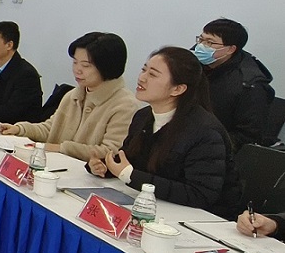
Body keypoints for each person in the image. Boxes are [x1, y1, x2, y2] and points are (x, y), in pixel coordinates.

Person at [88, 47, 242, 219]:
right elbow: (131, 159)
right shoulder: (143, 116)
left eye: (153, 74)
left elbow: (200, 194)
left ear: (177, 89)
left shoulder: (205, 132)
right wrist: (105, 166)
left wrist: (130, 175)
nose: (142, 78)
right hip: (157, 208)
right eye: (144, 70)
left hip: (201, 220)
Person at [0, 32, 137, 162]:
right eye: (75, 62)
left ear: (107, 67)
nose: (77, 70)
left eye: (85, 65)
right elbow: (50, 128)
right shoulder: (73, 95)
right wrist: (20, 129)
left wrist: (61, 148)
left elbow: (111, 152)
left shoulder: (125, 105)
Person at [192, 18, 276, 149]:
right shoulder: (192, 62)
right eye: (201, 39)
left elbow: (248, 136)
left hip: (215, 146)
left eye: (210, 42)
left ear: (230, 49)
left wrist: (205, 144)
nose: (201, 46)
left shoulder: (250, 85)